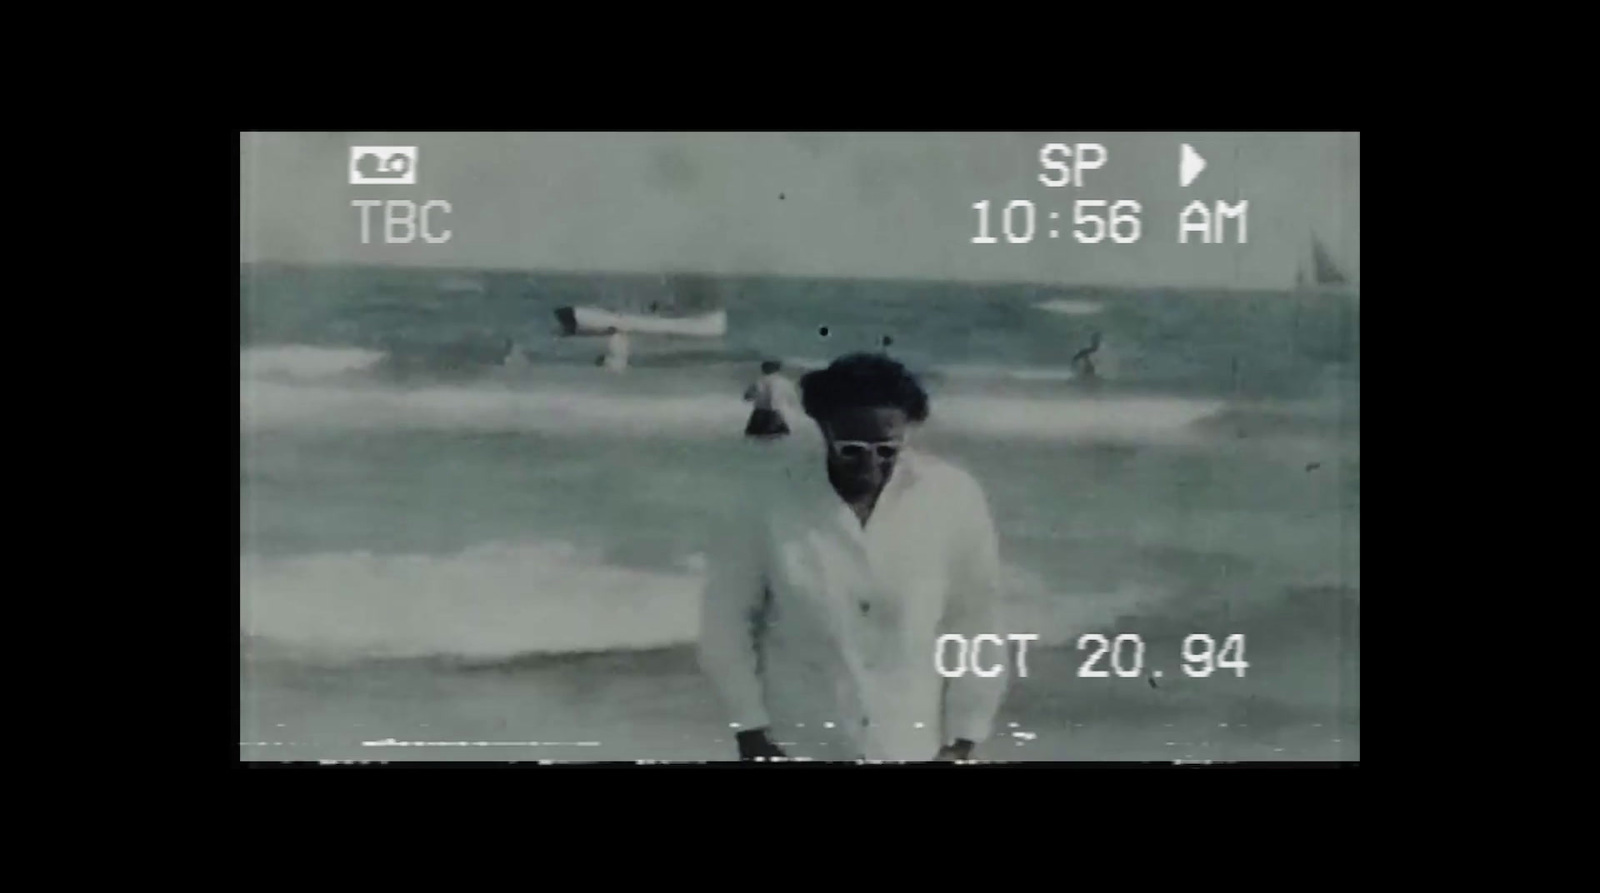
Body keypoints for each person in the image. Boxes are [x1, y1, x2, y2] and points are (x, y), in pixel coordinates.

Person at [698, 353, 1009, 762]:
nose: (871, 465)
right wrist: (750, 731)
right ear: (823, 429)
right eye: (852, 450)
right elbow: (727, 623)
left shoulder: (952, 496)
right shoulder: (768, 499)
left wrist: (963, 740)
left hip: (913, 747)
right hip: (796, 745)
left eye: (886, 449)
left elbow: (976, 624)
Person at [742, 361, 800, 439]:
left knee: (754, 438)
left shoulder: (758, 381)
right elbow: (793, 401)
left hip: (758, 414)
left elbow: (747, 397)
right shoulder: (784, 382)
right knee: (777, 439)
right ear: (778, 370)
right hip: (774, 414)